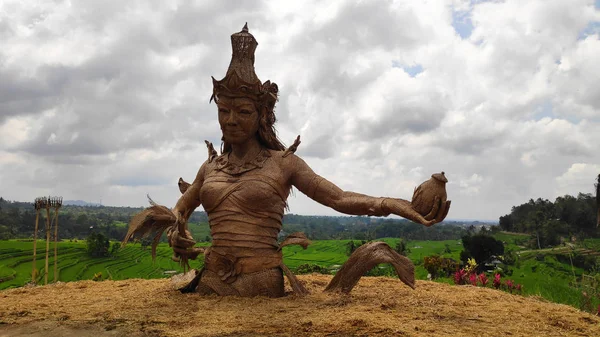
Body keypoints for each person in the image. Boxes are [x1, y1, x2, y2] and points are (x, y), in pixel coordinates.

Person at [124, 24, 450, 297]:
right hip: (211, 283)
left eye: (243, 112)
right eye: (224, 111)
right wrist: (177, 228)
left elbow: (338, 198)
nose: (231, 120)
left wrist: (393, 205)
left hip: (261, 285)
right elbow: (181, 207)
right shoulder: (209, 167)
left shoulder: (283, 164)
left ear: (261, 115)